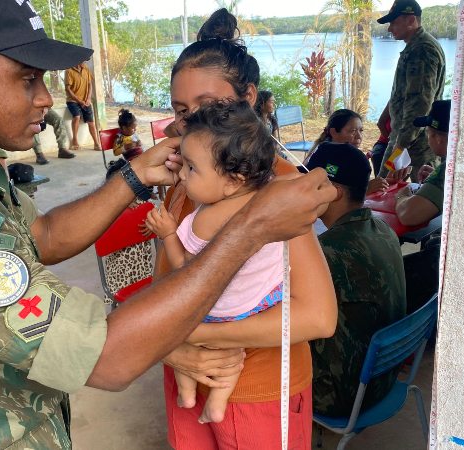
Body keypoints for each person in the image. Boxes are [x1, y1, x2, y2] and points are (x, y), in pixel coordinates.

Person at [0, 1, 337, 448]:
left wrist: (134, 176)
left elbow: (44, 238)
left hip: (257, 391)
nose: (46, 97)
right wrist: (248, 231)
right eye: (27, 80)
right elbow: (108, 356)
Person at [157, 9, 331, 449]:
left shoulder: (281, 189)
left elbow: (317, 315)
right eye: (181, 110)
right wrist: (172, 348)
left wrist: (195, 333)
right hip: (184, 375)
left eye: (209, 106)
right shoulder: (185, 180)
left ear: (248, 98)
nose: (192, 122)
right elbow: (166, 286)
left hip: (260, 387)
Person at [145, 100, 337, 425]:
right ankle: (215, 405)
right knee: (230, 356)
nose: (182, 173)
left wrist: (167, 235)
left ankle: (187, 394)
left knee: (204, 352)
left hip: (217, 309)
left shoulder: (202, 219)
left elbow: (187, 270)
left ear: (233, 178)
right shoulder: (272, 198)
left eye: (192, 168)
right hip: (258, 303)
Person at [306, 142, 407, 417]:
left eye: (309, 183)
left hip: (341, 396)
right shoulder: (383, 229)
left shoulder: (328, 252)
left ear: (334, 192)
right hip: (381, 378)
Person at [376, 0, 446, 181]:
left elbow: (420, 102)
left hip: (416, 143)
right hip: (402, 135)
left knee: (417, 193)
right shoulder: (414, 47)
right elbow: (404, 91)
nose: (390, 28)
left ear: (411, 20)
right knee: (383, 187)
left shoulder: (422, 50)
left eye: (394, 22)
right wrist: (385, 116)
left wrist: (401, 144)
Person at [395, 99, 450, 226]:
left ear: (438, 139)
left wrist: (401, 195)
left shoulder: (449, 169)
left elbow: (408, 215)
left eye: (428, 132)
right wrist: (435, 182)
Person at [64, 60, 100, 150]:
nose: (85, 63)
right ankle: (75, 141)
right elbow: (68, 89)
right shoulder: (69, 70)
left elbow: (90, 84)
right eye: (83, 61)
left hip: (86, 101)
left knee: (91, 122)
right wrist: (79, 101)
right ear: (78, 60)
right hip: (73, 101)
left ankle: (96, 143)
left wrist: (88, 99)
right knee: (77, 117)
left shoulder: (86, 69)